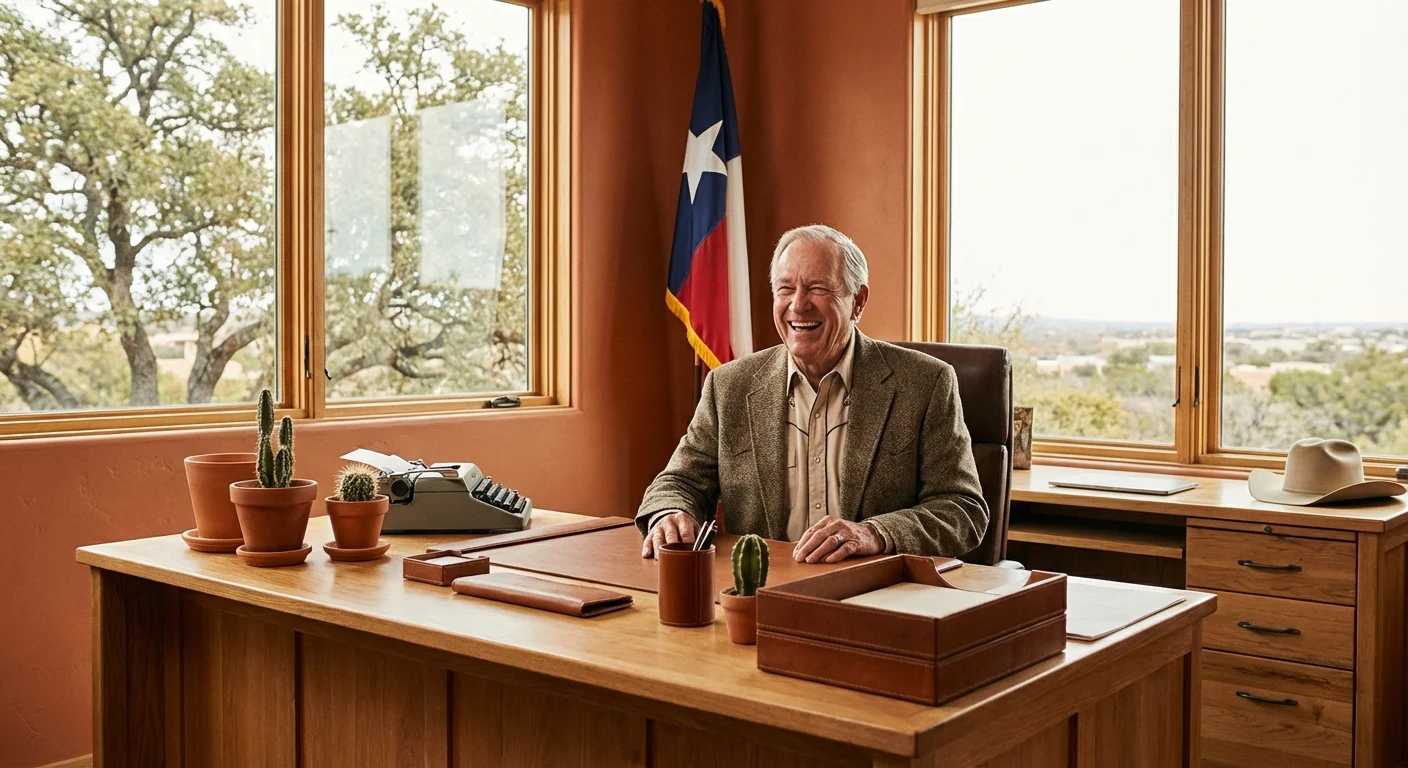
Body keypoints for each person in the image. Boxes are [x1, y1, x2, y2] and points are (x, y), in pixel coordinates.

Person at [637, 224, 989, 562]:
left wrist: (874, 533)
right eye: (786, 288)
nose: (798, 304)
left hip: (876, 594)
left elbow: (961, 509)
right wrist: (670, 512)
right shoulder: (729, 386)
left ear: (858, 301)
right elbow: (679, 482)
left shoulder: (925, 383)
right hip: (760, 593)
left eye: (818, 288)